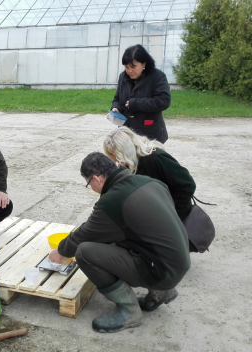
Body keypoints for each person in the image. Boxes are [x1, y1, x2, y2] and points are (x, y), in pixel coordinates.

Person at [49, 152, 190, 333]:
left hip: (162, 271)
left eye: (88, 183)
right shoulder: (149, 181)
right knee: (114, 240)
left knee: (85, 252)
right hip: (179, 261)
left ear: (97, 179)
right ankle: (162, 292)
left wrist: (60, 251)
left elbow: (85, 234)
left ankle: (129, 311)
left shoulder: (113, 200)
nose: (90, 187)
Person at [103, 126, 196, 221]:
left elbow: (187, 185)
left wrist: (172, 213)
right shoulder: (127, 163)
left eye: (117, 154)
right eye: (111, 155)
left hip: (172, 215)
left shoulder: (156, 158)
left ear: (127, 150)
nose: (115, 159)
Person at [109, 44, 171, 143]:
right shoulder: (123, 77)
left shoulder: (157, 77)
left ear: (144, 64)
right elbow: (117, 99)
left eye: (133, 67)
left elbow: (163, 101)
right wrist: (116, 108)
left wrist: (135, 104)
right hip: (126, 133)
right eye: (127, 67)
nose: (129, 71)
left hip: (149, 134)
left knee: (149, 158)